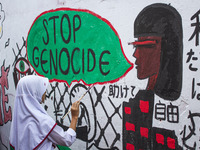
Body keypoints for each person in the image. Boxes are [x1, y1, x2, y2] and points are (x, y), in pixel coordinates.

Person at [9, 75, 80, 150]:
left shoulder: (18, 119)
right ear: (34, 91)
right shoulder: (43, 121)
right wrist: (74, 117)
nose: (45, 92)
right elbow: (67, 140)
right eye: (42, 89)